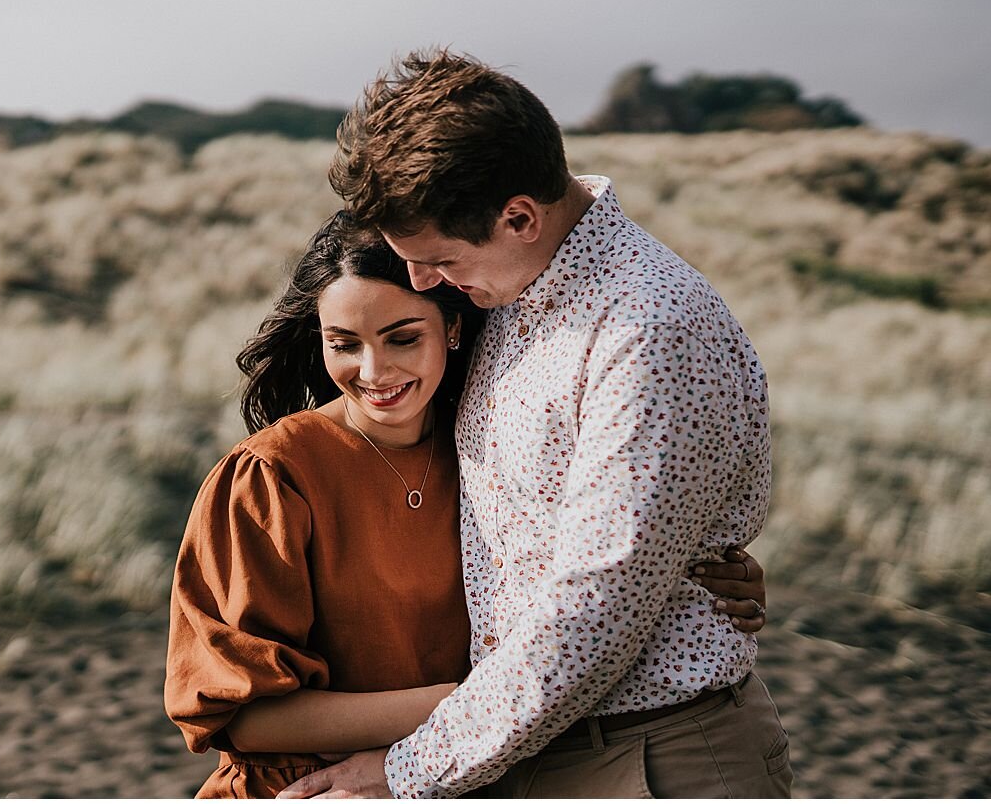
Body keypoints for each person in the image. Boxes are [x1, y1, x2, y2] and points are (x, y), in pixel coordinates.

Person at [277, 50, 792, 799]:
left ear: (520, 216)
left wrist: (404, 773)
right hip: (526, 751)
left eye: (438, 260)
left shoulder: (647, 329)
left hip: (650, 759)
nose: (423, 283)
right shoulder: (507, 289)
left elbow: (594, 612)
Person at [165, 211, 771, 799]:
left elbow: (596, 562)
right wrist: (477, 702)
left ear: (452, 329)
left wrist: (693, 578)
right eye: (343, 343)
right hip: (318, 788)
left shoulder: (482, 446)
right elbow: (242, 717)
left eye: (403, 337)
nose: (374, 371)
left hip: (463, 775)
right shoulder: (272, 476)